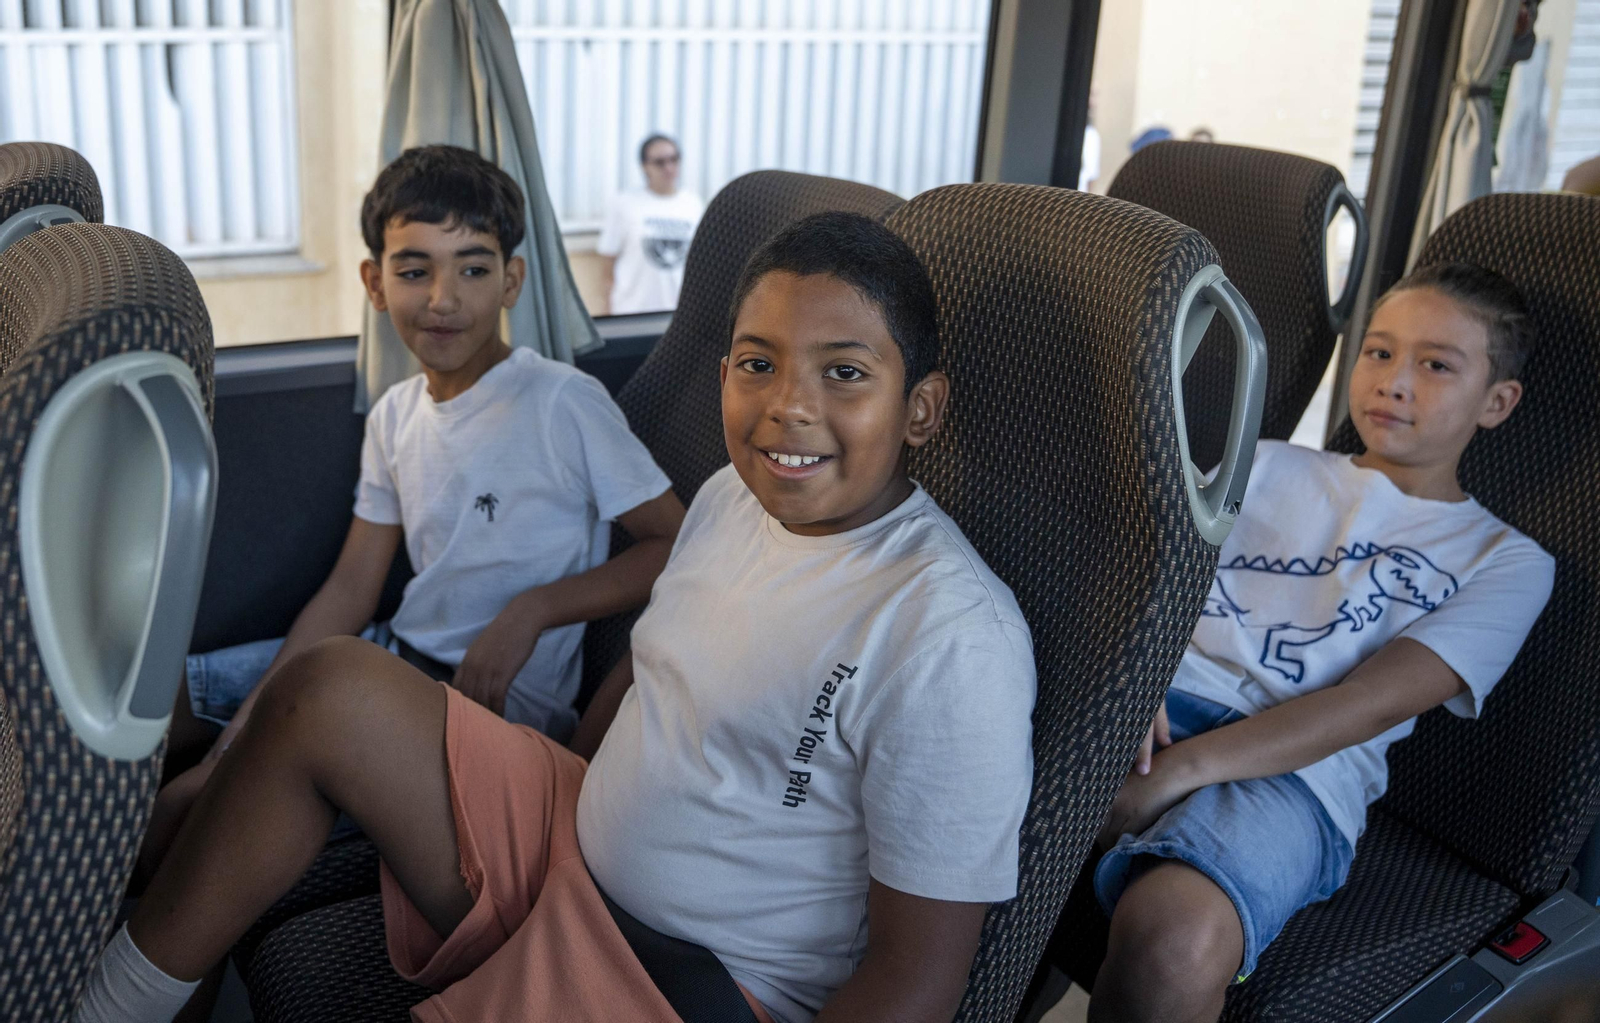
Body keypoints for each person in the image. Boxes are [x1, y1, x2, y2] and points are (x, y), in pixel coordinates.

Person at [75, 211, 1036, 1023]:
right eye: (758, 362)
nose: (788, 405)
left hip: (687, 976)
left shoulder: (947, 637)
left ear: (922, 408)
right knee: (322, 688)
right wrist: (568, 786)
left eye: (845, 373)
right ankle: (109, 1002)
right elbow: (653, 667)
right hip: (571, 834)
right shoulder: (730, 500)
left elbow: (915, 984)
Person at [144, 142, 683, 870]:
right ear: (374, 282)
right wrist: (236, 736)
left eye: (472, 267)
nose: (443, 297)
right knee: (146, 702)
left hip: (486, 715)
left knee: (194, 824)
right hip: (390, 655)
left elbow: (671, 544)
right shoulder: (397, 414)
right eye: (413, 268)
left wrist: (533, 609)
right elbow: (348, 590)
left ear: (511, 280)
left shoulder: (561, 403)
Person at [1087, 262, 1555, 1023]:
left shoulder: (1504, 559)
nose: (1394, 380)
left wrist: (1173, 774)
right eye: (1378, 352)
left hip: (1300, 772)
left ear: (1497, 401)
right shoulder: (1269, 463)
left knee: (1174, 941)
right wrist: (1135, 684)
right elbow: (1149, 580)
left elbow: (1364, 705)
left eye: (1436, 365)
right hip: (1156, 701)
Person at [596, 134, 705, 315]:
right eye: (660, 162)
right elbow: (608, 262)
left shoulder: (693, 204)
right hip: (631, 311)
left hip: (678, 314)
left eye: (673, 159)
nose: (668, 167)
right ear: (645, 166)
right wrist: (606, 307)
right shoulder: (624, 204)